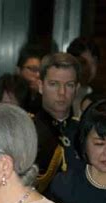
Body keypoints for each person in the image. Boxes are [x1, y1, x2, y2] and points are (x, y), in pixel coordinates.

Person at [34, 52, 81, 192]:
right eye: (54, 84)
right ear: (41, 86)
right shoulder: (26, 130)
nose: (62, 92)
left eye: (69, 85)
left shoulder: (85, 131)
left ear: (77, 89)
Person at [66, 37, 100, 118]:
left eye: (93, 62)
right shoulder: (62, 93)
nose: (88, 69)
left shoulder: (101, 98)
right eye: (83, 63)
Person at [15, 43, 44, 113]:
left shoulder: (43, 94)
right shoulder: (10, 90)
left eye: (41, 71)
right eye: (33, 69)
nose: (38, 75)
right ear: (19, 70)